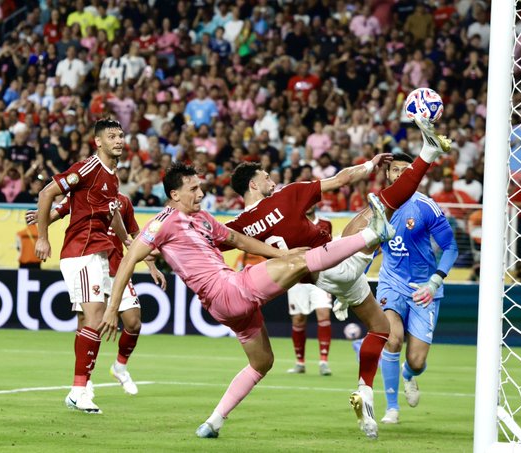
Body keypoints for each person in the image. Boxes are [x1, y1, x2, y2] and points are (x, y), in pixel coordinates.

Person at [98, 162, 396, 439]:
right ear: (174, 194)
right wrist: (112, 308)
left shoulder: (202, 218)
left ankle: (212, 422)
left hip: (223, 307)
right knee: (300, 262)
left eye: (200, 187)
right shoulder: (162, 222)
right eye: (193, 189)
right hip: (228, 290)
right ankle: (372, 234)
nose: (201, 193)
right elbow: (128, 259)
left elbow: (237, 240)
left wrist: (280, 253)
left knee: (262, 361)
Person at [226, 116, 451, 438]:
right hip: (334, 260)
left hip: (319, 277)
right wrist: (370, 165)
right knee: (383, 206)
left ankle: (365, 394)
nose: (271, 180)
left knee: (381, 328)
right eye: (265, 177)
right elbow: (341, 179)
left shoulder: (237, 225)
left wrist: (154, 247)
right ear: (253, 184)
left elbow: (209, 240)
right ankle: (425, 157)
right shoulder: (286, 196)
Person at [27, 192, 167, 396]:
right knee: (86, 323)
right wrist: (41, 219)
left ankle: (120, 367)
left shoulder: (123, 201)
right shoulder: (81, 193)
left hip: (117, 269)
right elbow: (57, 212)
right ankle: (85, 381)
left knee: (133, 322)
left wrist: (151, 266)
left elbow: (136, 237)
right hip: (89, 265)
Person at [35, 118, 128, 414]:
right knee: (96, 317)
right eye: (111, 136)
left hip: (97, 253)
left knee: (85, 320)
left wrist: (128, 241)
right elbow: (46, 193)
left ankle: (82, 386)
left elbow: (112, 215)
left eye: (121, 135)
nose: (118, 140)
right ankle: (78, 391)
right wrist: (42, 238)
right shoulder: (88, 168)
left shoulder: (113, 176)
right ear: (98, 141)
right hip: (82, 251)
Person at [373, 152, 458, 425]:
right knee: (392, 338)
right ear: (387, 174)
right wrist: (351, 281)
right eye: (394, 170)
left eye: (405, 169)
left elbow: (450, 247)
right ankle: (392, 408)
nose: (399, 174)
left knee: (417, 361)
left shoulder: (426, 206)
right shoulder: (377, 207)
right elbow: (367, 248)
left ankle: (408, 374)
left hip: (424, 289)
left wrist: (434, 282)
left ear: (415, 173)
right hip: (391, 283)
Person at [285, 205, 334, 376]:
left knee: (324, 314)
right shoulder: (292, 224)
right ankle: (300, 362)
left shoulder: (326, 224)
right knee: (298, 319)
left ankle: (324, 361)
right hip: (297, 278)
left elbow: (329, 249)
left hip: (320, 278)